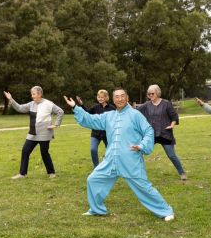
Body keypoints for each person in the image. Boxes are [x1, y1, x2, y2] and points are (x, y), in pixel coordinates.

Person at [63, 89, 175, 221]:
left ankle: (165, 211)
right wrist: (76, 107)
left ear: (127, 98)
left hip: (130, 160)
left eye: (122, 96)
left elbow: (148, 131)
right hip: (111, 160)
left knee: (143, 187)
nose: (120, 99)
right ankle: (97, 210)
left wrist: (142, 146)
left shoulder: (135, 115)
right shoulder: (109, 116)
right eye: (117, 97)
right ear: (113, 99)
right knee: (93, 180)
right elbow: (90, 120)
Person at [4, 86, 64, 179]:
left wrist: (56, 124)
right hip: (32, 133)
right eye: (31, 94)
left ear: (40, 94)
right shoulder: (31, 104)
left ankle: (51, 172)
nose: (32, 96)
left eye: (34, 94)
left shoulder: (48, 104)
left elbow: (60, 111)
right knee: (25, 151)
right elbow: (20, 108)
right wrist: (11, 99)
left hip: (45, 133)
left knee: (44, 153)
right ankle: (22, 174)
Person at [137, 84, 187, 180]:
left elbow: (174, 117)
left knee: (171, 155)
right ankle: (138, 174)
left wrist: (172, 125)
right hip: (151, 134)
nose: (150, 96)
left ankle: (182, 173)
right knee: (139, 152)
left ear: (157, 93)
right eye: (148, 94)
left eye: (152, 93)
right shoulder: (147, 105)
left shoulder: (166, 103)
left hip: (165, 133)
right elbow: (135, 112)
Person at [75, 90, 116, 168]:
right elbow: (87, 114)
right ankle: (96, 167)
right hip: (95, 134)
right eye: (98, 97)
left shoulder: (112, 108)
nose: (100, 98)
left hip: (107, 134)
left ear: (106, 97)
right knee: (93, 149)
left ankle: (110, 165)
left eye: (102, 97)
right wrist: (81, 104)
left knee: (110, 151)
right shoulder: (95, 107)